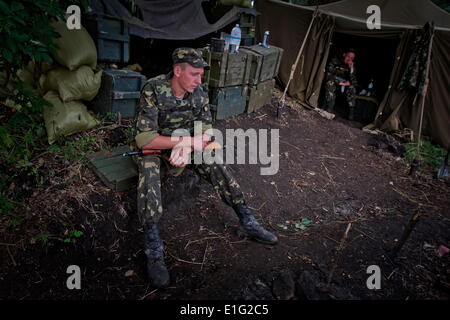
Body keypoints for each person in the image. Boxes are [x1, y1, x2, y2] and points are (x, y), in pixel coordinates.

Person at [133, 48, 278, 288]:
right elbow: (145, 139)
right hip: (156, 148)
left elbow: (206, 130)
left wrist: (187, 148)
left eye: (201, 75)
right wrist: (184, 142)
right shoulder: (153, 89)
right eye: (194, 74)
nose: (199, 81)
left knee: (214, 160)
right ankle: (153, 248)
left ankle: (247, 220)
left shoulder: (198, 92)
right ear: (177, 71)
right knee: (148, 172)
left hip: (184, 145)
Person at [324, 48, 358, 120]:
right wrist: (340, 82)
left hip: (343, 87)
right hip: (335, 83)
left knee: (352, 88)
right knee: (330, 83)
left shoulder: (352, 67)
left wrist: (351, 70)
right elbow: (328, 75)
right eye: (348, 56)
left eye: (352, 58)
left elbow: (354, 82)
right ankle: (329, 109)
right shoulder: (335, 61)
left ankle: (351, 114)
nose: (349, 59)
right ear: (344, 55)